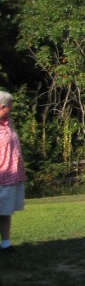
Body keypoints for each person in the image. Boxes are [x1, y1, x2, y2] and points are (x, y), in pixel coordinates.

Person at [0, 92, 26, 253]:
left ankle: (6, 243)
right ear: (2, 107)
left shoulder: (8, 124)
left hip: (11, 177)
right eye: (10, 106)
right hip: (1, 176)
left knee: (5, 212)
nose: (12, 108)